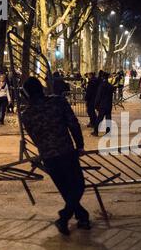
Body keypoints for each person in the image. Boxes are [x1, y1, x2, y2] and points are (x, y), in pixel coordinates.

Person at [21, 77, 91, 235]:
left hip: (48, 156)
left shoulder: (27, 114)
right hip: (66, 151)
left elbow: (34, 136)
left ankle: (81, 217)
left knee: (66, 189)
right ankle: (65, 216)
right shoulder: (57, 102)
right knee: (78, 185)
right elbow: (73, 124)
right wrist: (79, 145)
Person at [92, 72, 114, 137]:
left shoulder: (101, 85)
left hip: (102, 105)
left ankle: (96, 131)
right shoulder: (110, 86)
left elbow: (98, 96)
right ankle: (108, 132)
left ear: (103, 77)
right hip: (109, 105)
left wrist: (96, 104)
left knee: (99, 119)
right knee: (108, 119)